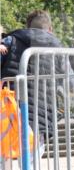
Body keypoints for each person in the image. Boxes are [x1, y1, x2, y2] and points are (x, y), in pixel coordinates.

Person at [0, 10, 69, 154]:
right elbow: (70, 80)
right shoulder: (59, 47)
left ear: (28, 26)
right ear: (50, 29)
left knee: (4, 159)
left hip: (10, 110)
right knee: (32, 162)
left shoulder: (11, 40)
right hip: (42, 113)